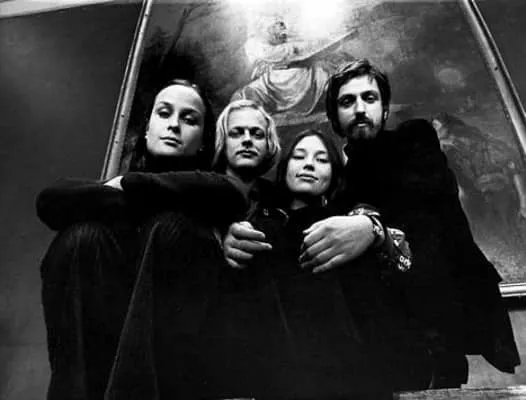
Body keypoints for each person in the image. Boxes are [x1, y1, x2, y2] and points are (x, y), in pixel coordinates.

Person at [224, 59, 520, 390]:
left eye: (369, 98)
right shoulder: (339, 191)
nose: (360, 109)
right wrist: (235, 233)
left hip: (432, 328)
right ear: (334, 118)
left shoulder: (413, 141)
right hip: (368, 350)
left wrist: (372, 227)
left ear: (385, 108)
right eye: (347, 102)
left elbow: (427, 211)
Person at [37, 79, 246, 400]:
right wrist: (124, 189)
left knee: (170, 228)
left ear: (203, 143)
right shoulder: (120, 190)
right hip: (108, 338)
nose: (174, 125)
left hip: (178, 360)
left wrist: (129, 185)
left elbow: (230, 195)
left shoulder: (211, 188)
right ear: (147, 129)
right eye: (164, 113)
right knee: (82, 237)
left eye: (189, 119)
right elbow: (50, 200)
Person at [216, 129, 430, 399]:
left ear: (334, 173)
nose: (308, 164)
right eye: (299, 156)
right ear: (285, 168)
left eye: (321, 159)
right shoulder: (257, 226)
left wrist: (370, 227)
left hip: (351, 378)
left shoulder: (352, 223)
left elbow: (402, 269)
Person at [101, 98, 282, 400]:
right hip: (187, 327)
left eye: (257, 133)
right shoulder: (193, 186)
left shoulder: (278, 201)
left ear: (269, 145)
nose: (247, 140)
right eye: (237, 133)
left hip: (251, 339)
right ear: (221, 141)